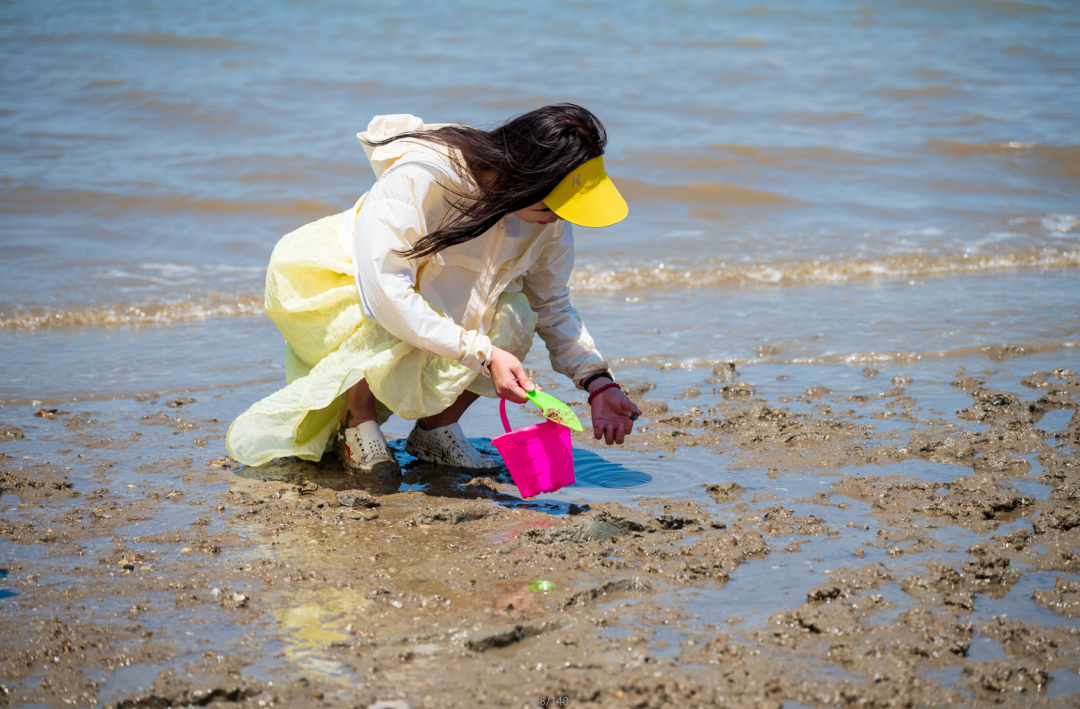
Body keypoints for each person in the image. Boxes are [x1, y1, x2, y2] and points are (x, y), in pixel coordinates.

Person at [227, 104, 641, 473]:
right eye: (549, 207)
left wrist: (598, 381)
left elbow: (552, 304)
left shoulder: (548, 218)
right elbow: (385, 291)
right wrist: (481, 353)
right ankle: (359, 417)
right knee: (378, 314)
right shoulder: (423, 177)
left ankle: (436, 429)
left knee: (517, 314)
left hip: (436, 292)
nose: (556, 219)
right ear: (523, 178)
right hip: (344, 285)